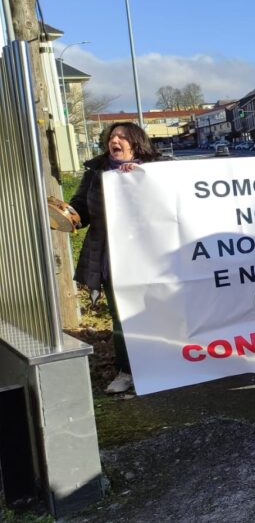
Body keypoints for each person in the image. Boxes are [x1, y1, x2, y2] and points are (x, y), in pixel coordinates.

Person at [70, 122, 161, 395]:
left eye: (122, 136)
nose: (115, 140)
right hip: (111, 257)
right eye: (112, 136)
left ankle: (167, 364)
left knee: (159, 311)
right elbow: (81, 209)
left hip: (153, 256)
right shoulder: (96, 172)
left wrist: (141, 177)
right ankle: (128, 370)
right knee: (122, 315)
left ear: (136, 142)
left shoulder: (158, 167)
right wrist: (68, 214)